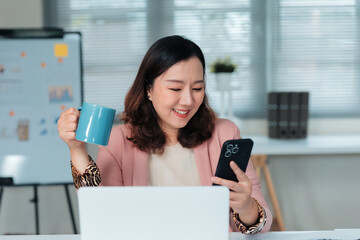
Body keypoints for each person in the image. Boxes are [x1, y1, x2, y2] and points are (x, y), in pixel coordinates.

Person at [57, 35, 272, 234]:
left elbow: (260, 225)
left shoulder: (224, 133)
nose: (188, 100)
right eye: (176, 89)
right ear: (149, 89)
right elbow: (100, 211)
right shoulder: (119, 140)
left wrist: (246, 206)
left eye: (197, 89)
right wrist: (76, 149)